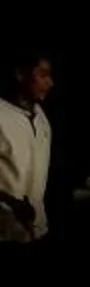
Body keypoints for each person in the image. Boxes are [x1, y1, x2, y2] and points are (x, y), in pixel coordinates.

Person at [0, 47, 52, 244]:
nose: (50, 83)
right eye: (43, 75)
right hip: (5, 232)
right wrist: (11, 202)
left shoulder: (41, 117)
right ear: (20, 75)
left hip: (36, 230)